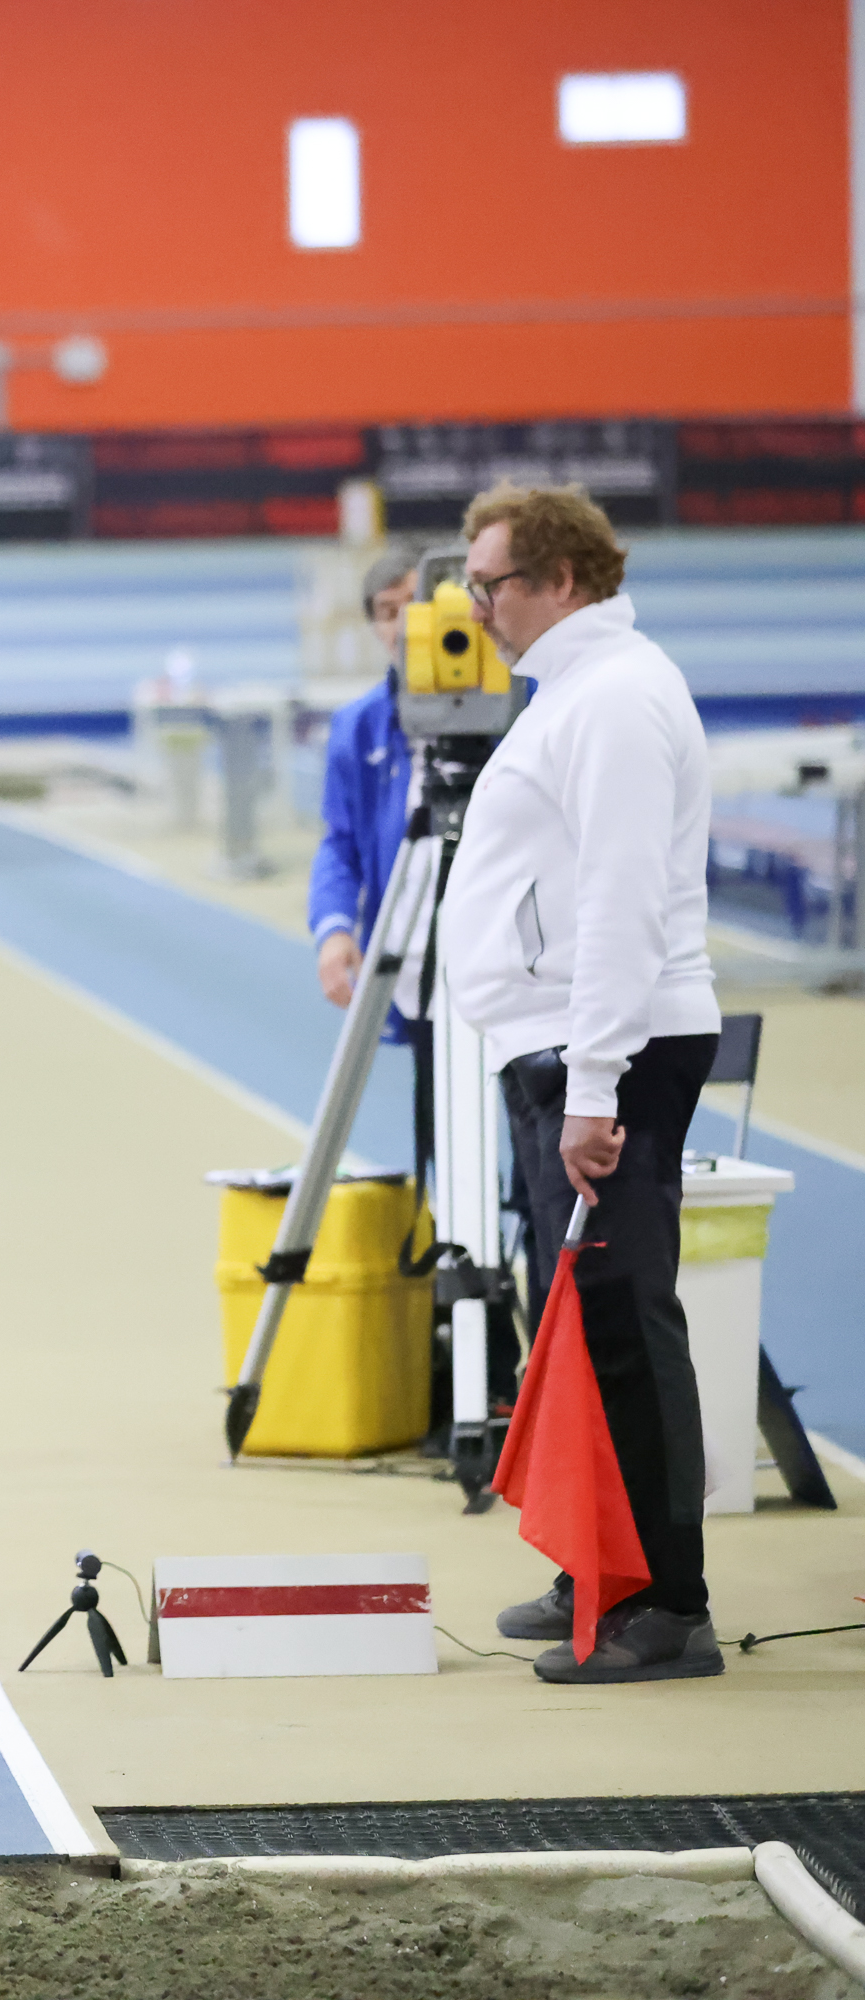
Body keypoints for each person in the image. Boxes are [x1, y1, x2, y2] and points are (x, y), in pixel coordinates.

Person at [439, 482, 722, 1686]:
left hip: (606, 1051)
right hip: (565, 1045)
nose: (475, 607)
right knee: (580, 1321)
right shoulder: (574, 691)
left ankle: (667, 1604)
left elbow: (619, 900)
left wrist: (596, 1085)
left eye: (491, 583)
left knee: (622, 1325)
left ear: (562, 579)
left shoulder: (612, 697)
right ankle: (599, 1569)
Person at [309, 546, 423, 1013]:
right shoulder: (357, 726)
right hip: (411, 966)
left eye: (416, 604)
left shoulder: (518, 702)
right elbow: (340, 842)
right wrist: (334, 927)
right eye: (388, 612)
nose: (404, 625)